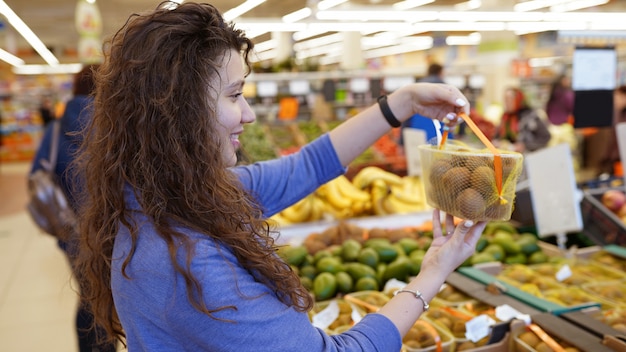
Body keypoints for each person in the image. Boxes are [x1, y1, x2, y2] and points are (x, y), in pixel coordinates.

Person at [72, 2, 486, 351]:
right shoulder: (186, 263)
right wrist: (434, 270)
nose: (249, 115)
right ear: (179, 112)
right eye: (234, 96)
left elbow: (306, 166)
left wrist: (403, 102)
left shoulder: (163, 196)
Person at [30, 64, 116, 352]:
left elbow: (37, 173)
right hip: (111, 231)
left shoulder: (56, 127)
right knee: (110, 296)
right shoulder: (113, 124)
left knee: (88, 297)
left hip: (71, 233)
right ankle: (108, 344)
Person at [401, 63, 452, 144]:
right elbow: (459, 111)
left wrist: (402, 141)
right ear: (440, 72)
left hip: (417, 132)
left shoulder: (415, 87)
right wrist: (461, 132)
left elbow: (405, 116)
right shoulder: (448, 89)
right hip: (441, 135)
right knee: (441, 156)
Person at [494, 87, 551, 153]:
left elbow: (545, 137)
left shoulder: (530, 116)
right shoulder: (505, 117)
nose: (506, 103)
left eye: (510, 100)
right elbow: (498, 137)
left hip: (527, 157)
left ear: (518, 100)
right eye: (505, 100)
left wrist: (525, 146)